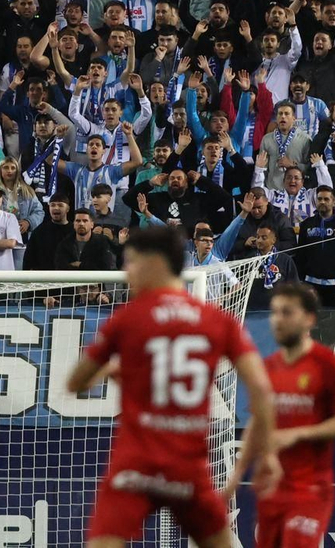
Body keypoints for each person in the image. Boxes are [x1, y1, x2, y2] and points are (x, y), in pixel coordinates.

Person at [65, 226, 279, 548]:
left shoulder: (129, 318)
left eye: (132, 261)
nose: (127, 272)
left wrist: (110, 369)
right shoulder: (217, 321)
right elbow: (262, 390)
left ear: (156, 263)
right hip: (187, 469)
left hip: (136, 464)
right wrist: (255, 464)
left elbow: (75, 382)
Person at [254, 283, 335, 548]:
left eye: (286, 313)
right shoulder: (267, 367)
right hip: (273, 487)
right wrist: (236, 478)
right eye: (274, 312)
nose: (277, 320)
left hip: (310, 488)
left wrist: (298, 433)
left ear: (309, 319)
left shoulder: (331, 366)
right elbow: (261, 424)